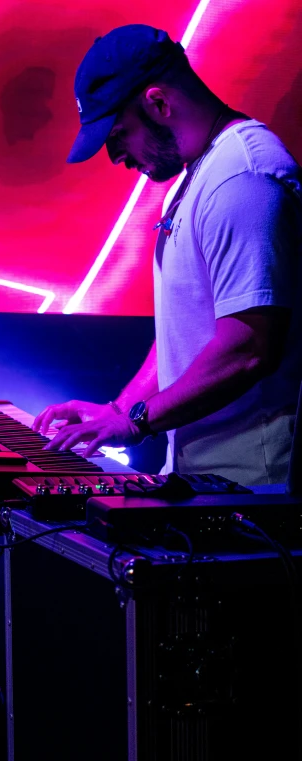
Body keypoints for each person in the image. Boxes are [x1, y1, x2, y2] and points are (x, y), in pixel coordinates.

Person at [33, 24, 302, 486]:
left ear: (159, 103)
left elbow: (249, 348)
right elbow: (187, 335)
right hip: (208, 481)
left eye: (118, 134)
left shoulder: (243, 178)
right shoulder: (195, 176)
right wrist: (118, 411)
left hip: (255, 488)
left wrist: (136, 421)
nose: (114, 156)